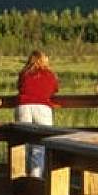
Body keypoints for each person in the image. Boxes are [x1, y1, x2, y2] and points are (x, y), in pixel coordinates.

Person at [15, 50, 59, 178]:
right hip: (42, 108)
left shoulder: (24, 73)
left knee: (23, 144)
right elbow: (55, 89)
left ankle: (21, 179)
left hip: (23, 106)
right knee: (40, 144)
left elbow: (20, 87)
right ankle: (36, 177)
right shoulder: (49, 74)